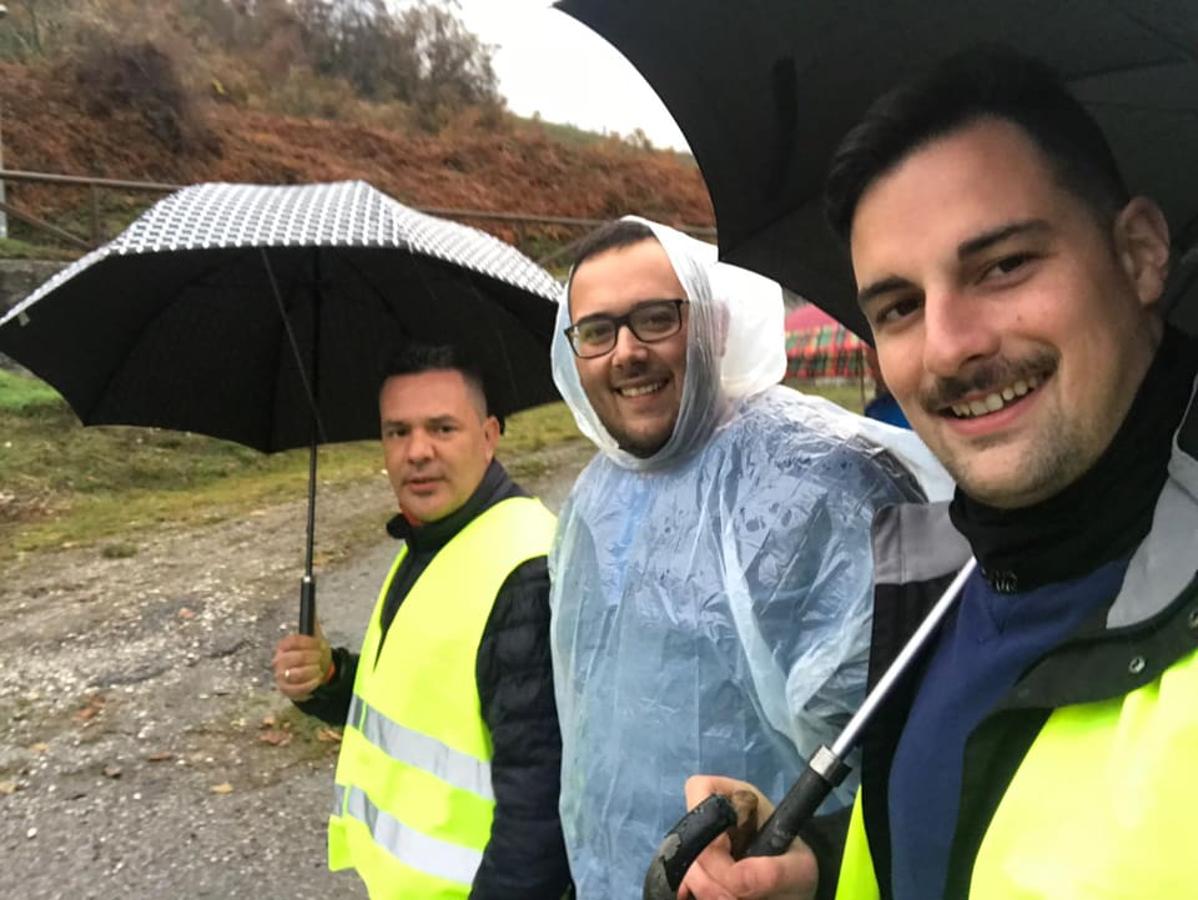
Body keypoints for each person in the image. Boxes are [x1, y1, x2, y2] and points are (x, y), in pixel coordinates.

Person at [679, 46, 1198, 900]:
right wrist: (810, 869)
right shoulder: (942, 574)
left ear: (1140, 254)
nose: (950, 348)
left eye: (1002, 266)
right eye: (899, 307)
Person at [548, 216, 950, 898]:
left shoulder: (819, 482)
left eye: (654, 319)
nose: (625, 352)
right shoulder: (594, 497)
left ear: (716, 328)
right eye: (597, 330)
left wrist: (816, 868)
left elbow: (916, 758)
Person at [271, 344, 571, 900]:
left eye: (442, 428)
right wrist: (331, 678)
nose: (416, 451)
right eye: (397, 431)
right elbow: (419, 699)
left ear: (488, 436)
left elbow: (540, 806)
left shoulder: (524, 572)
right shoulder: (432, 537)